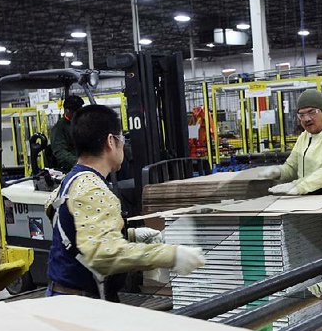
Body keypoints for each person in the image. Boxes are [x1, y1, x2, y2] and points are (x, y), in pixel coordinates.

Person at [45, 104, 205, 299]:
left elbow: (78, 231)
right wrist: (171, 255)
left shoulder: (73, 179)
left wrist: (130, 235)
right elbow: (104, 255)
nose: (124, 145)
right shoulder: (93, 189)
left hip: (68, 297)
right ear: (111, 141)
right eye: (122, 139)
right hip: (79, 304)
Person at [258, 89, 322, 195]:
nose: (306, 119)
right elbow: (292, 168)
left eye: (312, 112)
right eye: (301, 115)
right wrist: (277, 172)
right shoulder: (304, 137)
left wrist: (298, 187)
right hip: (310, 197)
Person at [47, 94, 85, 173]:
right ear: (67, 110)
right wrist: (79, 162)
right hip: (70, 168)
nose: (79, 114)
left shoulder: (82, 123)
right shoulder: (59, 128)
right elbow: (60, 151)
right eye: (76, 112)